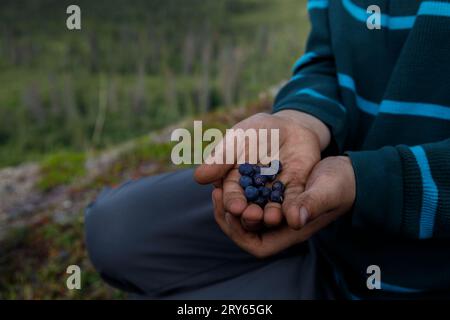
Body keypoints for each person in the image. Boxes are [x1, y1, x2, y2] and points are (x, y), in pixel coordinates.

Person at [85, 0, 450, 299]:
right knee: (113, 231)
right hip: (321, 210)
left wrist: (369, 183)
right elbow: (327, 58)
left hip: (411, 274)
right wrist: (301, 120)